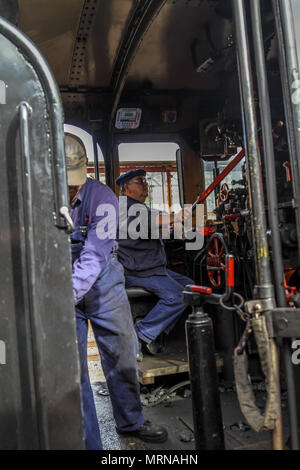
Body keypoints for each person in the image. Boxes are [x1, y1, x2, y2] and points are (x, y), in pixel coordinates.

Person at [65, 134, 168, 450]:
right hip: (61, 281)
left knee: (122, 352)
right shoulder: (42, 196)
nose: (72, 189)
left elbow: (95, 254)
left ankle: (131, 421)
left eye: (75, 182)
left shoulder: (104, 198)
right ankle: (88, 441)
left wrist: (66, 295)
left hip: (103, 281)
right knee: (72, 368)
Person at [116, 169, 193, 358]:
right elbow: (148, 222)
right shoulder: (124, 207)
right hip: (138, 270)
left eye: (145, 180)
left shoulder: (140, 207)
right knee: (177, 297)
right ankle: (141, 333)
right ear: (127, 187)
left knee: (191, 288)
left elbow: (154, 219)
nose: (145, 184)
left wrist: (172, 224)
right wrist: (175, 217)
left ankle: (158, 334)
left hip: (151, 268)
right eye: (139, 180)